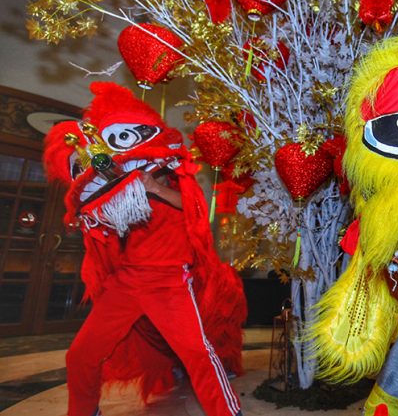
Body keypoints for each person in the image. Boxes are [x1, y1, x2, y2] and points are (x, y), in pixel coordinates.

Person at [43, 83, 246, 416]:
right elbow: (106, 242)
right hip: (125, 283)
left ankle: (229, 412)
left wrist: (152, 187)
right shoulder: (110, 184)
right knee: (81, 354)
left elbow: (195, 211)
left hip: (169, 281)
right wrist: (95, 219)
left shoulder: (168, 175)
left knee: (198, 353)